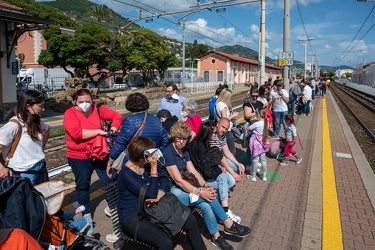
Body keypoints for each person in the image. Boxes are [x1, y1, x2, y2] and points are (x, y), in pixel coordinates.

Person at [160, 121, 251, 250]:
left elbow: (193, 171)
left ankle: (217, 237)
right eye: (179, 138)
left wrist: (205, 184)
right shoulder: (168, 152)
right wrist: (201, 192)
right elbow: (178, 180)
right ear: (174, 136)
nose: (181, 141)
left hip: (186, 187)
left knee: (205, 205)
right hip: (173, 190)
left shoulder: (184, 151)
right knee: (206, 197)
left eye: (184, 138)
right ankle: (228, 224)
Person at [118, 136, 206, 250]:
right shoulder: (127, 174)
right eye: (151, 153)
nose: (154, 155)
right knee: (165, 243)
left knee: (190, 220)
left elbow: (163, 177)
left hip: (152, 209)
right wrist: (154, 169)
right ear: (142, 156)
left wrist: (161, 191)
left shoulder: (144, 164)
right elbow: (150, 194)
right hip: (133, 217)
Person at [106, 92, 170, 242]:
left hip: (133, 163)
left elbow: (120, 143)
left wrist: (110, 162)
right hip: (149, 164)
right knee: (146, 192)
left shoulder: (129, 121)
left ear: (129, 105)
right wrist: (153, 154)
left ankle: (120, 233)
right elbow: (165, 140)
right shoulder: (156, 120)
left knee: (126, 197)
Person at [63, 88, 122, 217]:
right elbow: (76, 134)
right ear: (75, 101)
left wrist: (113, 129)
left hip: (100, 153)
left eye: (87, 101)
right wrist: (98, 132)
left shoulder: (98, 109)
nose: (85, 104)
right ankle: (86, 213)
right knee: (83, 185)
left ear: (92, 100)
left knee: (110, 180)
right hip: (79, 157)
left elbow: (117, 116)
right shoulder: (70, 113)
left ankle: (113, 207)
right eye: (81, 101)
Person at [188, 121, 241, 223]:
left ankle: (224, 208)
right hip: (200, 180)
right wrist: (220, 169)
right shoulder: (202, 147)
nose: (215, 135)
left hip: (201, 175)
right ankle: (225, 211)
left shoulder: (199, 144)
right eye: (213, 133)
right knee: (222, 177)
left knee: (225, 179)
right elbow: (207, 172)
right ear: (208, 133)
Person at [0, 90, 50, 185]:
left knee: (39, 199)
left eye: (44, 105)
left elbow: (47, 130)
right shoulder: (14, 125)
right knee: (25, 199)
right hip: (23, 174)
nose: (43, 109)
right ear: (28, 106)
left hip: (39, 169)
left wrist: (41, 149)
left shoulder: (36, 120)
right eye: (40, 106)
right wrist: (1, 168)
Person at [210, 118, 245, 185]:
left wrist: (238, 164)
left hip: (220, 159)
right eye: (223, 127)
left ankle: (226, 180)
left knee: (241, 167)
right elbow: (220, 157)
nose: (224, 130)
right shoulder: (212, 136)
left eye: (226, 129)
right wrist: (233, 173)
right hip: (213, 162)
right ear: (217, 124)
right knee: (231, 181)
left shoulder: (222, 136)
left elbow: (227, 152)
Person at [242, 89, 263, 172]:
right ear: (250, 95)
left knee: (258, 145)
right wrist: (257, 112)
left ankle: (255, 160)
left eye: (256, 96)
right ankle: (249, 164)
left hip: (259, 127)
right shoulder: (247, 104)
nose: (255, 97)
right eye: (253, 96)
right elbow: (247, 116)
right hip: (250, 126)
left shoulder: (259, 103)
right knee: (250, 146)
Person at [247, 108, 270, 182]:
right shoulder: (267, 122)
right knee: (263, 160)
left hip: (256, 144)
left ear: (259, 115)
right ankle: (264, 176)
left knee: (255, 160)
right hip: (263, 142)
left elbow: (248, 128)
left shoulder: (256, 123)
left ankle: (253, 176)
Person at [214, 88, 239, 155]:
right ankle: (230, 164)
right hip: (226, 130)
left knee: (224, 148)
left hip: (220, 128)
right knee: (232, 150)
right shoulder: (223, 106)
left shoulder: (217, 104)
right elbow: (225, 119)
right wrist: (233, 115)